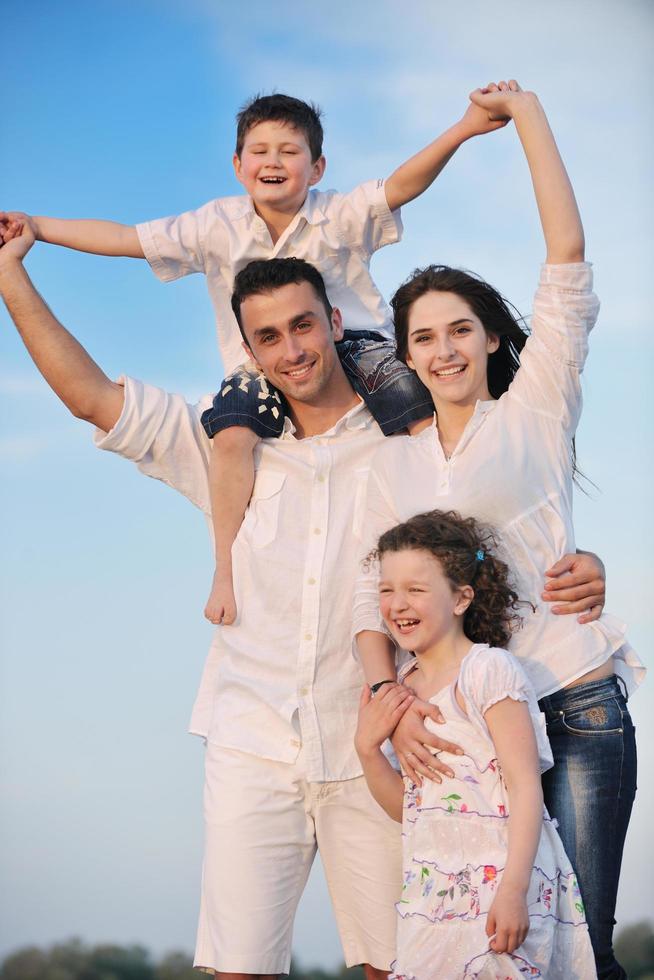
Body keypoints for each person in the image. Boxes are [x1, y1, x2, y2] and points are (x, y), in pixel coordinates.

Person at [0, 239, 606, 972]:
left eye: (303, 325)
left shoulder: (404, 450)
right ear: (251, 349)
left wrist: (585, 565)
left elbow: (497, 524)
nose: (291, 348)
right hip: (250, 735)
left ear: (334, 322)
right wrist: (10, 273)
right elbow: (88, 394)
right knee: (240, 966)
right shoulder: (224, 449)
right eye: (267, 336)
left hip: (382, 742)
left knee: (400, 962)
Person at [0, 92, 509, 629]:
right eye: (259, 151)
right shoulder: (216, 224)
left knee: (419, 419)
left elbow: (402, 184)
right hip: (255, 371)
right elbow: (127, 238)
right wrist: (38, 226)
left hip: (359, 345)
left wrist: (466, 127)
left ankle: (457, 534)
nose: (273, 162)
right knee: (232, 438)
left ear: (317, 168)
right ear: (237, 166)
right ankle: (224, 566)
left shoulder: (336, 214)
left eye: (290, 152)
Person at [353, 81, 643, 980]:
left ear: (486, 341)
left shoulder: (536, 409)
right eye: (425, 338)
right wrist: (385, 704)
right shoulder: (387, 466)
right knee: (495, 949)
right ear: (406, 355)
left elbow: (567, 254)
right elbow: (373, 607)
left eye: (460, 331)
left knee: (583, 945)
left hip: (576, 698)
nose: (443, 349)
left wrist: (528, 119)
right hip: (470, 720)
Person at [355, 509, 597, 978]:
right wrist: (367, 752)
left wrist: (513, 891)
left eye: (416, 590)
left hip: (500, 889)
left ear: (462, 597)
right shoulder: (402, 689)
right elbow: (410, 808)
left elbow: (527, 790)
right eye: (387, 590)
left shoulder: (489, 672)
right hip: (431, 897)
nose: (398, 604)